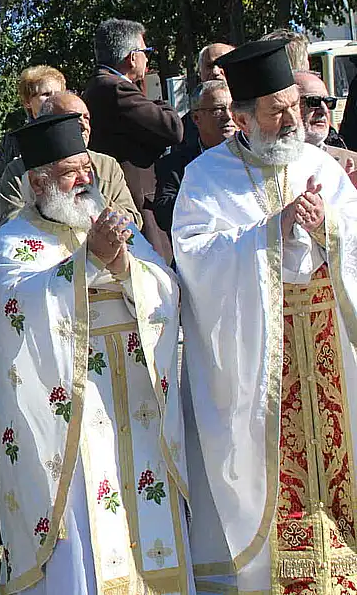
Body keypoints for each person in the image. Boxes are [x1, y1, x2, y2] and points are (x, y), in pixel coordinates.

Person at [174, 40, 357, 593]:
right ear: (241, 118)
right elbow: (196, 258)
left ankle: (341, 559)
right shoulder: (207, 177)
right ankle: (273, 568)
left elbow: (353, 236)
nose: (291, 120)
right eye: (276, 111)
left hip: (324, 334)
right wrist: (269, 234)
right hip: (259, 351)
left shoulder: (319, 163)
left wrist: (329, 227)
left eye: (293, 107)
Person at [0, 113, 192, 594]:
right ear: (39, 182)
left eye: (87, 169)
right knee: (83, 515)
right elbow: (16, 307)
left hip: (136, 397)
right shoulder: (14, 241)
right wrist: (89, 261)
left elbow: (165, 288)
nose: (84, 180)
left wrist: (121, 262)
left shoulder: (115, 226)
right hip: (71, 412)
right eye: (70, 172)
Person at [83, 18, 183, 261]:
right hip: (136, 199)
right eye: (146, 51)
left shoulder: (100, 86)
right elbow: (173, 129)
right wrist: (159, 102)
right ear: (132, 57)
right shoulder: (117, 89)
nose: (148, 59)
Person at [0, 91, 140, 228]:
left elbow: (133, 221)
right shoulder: (18, 171)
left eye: (86, 118)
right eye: (73, 118)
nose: (83, 125)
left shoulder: (107, 165)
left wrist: (91, 198)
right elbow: (11, 224)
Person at [152, 80, 236, 234]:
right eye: (218, 110)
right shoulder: (174, 166)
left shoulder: (254, 157)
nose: (228, 116)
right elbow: (165, 215)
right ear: (196, 118)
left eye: (232, 108)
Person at [0, 65, 66, 173]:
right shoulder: (13, 141)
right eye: (45, 94)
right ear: (27, 102)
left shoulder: (73, 130)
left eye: (58, 94)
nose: (53, 99)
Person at [295, 70, 357, 162]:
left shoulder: (349, 160)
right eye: (313, 101)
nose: (324, 110)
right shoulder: (272, 162)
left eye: (328, 102)